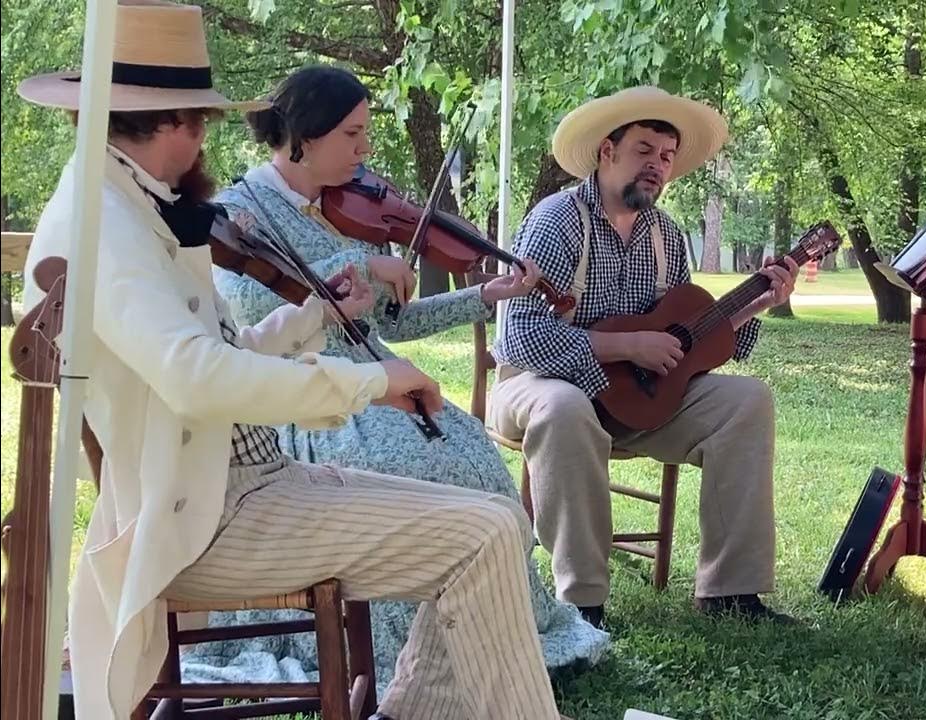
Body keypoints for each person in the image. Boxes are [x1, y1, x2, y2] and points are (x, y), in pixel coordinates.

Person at [18, 3, 570, 718]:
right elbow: (195, 380)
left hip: (245, 480)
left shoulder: (136, 202)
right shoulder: (104, 222)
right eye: (203, 124)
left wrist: (313, 317)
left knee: (490, 522)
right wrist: (367, 380)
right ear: (175, 122)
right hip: (202, 516)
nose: (204, 143)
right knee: (485, 531)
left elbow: (220, 353)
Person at [194, 65, 608, 690]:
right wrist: (362, 260)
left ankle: (484, 635)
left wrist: (485, 295)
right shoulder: (239, 210)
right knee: (414, 472)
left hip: (378, 374)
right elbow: (250, 316)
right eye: (353, 134)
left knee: (475, 465)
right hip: (304, 392)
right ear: (305, 134)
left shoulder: (341, 206)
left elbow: (396, 321)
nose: (365, 151)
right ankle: (408, 657)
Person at [489, 86, 800, 628]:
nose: (657, 166)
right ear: (607, 151)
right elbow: (520, 339)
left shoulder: (665, 234)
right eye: (644, 150)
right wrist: (628, 345)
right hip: (537, 387)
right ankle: (583, 606)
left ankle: (731, 592)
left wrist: (757, 306)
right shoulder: (557, 221)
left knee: (747, 400)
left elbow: (686, 336)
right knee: (565, 408)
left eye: (666, 157)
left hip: (637, 400)